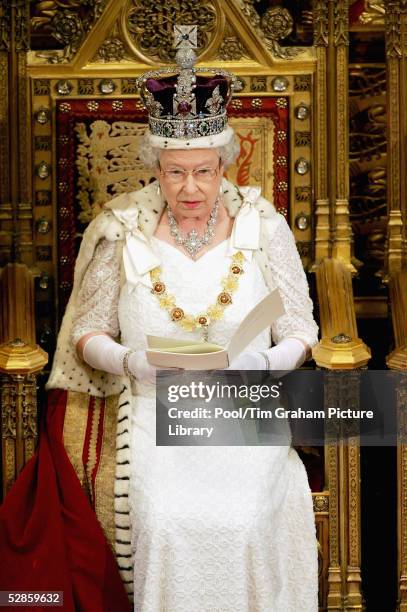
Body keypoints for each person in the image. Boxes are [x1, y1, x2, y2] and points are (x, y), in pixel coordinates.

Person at [1, 29, 318, 612]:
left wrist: (269, 362)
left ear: (226, 162)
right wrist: (130, 361)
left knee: (245, 520)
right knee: (169, 522)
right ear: (156, 167)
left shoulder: (263, 227)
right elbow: (86, 332)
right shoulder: (123, 229)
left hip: (242, 414)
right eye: (175, 173)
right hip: (152, 412)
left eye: (203, 171)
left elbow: (301, 325)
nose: (190, 188)